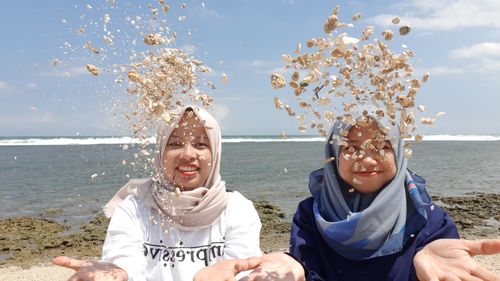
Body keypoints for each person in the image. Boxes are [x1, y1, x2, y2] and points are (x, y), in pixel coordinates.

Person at [194, 114, 500, 281]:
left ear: (398, 153)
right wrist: (291, 266)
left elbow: (444, 271)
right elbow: (302, 270)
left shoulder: (428, 219)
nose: (365, 160)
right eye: (351, 148)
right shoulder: (311, 214)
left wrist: (423, 264)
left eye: (380, 146)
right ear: (332, 155)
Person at [53, 105, 262, 281]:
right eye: (175, 144)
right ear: (160, 151)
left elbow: (243, 267)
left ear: (215, 152)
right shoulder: (134, 207)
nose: (188, 154)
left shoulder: (237, 208)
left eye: (200, 144)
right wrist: (118, 271)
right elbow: (123, 261)